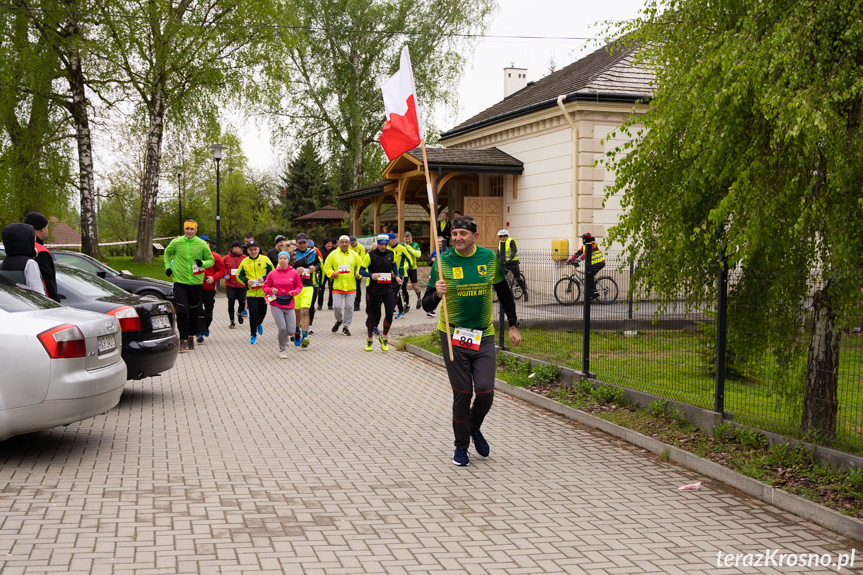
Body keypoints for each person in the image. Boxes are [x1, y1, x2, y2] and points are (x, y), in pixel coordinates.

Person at [422, 216, 521, 467]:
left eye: (463, 233)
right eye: (454, 233)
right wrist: (437, 294)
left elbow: (504, 293)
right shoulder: (443, 263)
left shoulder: (488, 259)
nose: (457, 238)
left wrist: (513, 325)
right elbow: (426, 304)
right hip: (453, 335)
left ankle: (473, 428)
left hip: (483, 335)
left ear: (475, 236)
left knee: (486, 391)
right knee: (463, 393)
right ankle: (461, 447)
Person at [164, 220, 214, 351]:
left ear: (196, 230)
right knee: (181, 311)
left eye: (192, 229)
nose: (189, 231)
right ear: (184, 229)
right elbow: (167, 253)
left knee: (194, 311)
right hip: (180, 281)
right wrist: (168, 267)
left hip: (196, 282)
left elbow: (211, 260)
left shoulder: (202, 244)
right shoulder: (177, 242)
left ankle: (191, 335)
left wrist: (202, 263)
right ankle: (183, 338)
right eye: (187, 229)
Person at [360, 233, 402, 351]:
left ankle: (384, 337)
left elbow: (393, 266)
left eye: (385, 244)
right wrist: (371, 275)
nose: (383, 247)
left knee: (389, 313)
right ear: (378, 244)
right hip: (374, 290)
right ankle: (369, 339)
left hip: (388, 288)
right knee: (372, 315)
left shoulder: (391, 253)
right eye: (381, 244)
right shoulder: (370, 255)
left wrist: (397, 276)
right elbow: (361, 270)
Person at [262, 251, 303, 359]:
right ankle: (282, 350)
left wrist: (293, 292)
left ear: (288, 260)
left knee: (290, 330)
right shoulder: (272, 273)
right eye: (281, 258)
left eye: (285, 258)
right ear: (278, 260)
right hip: (276, 303)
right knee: (282, 328)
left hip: (289, 303)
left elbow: (299, 287)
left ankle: (286, 337)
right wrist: (271, 290)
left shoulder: (294, 273)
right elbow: (265, 287)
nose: (283, 260)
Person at [323, 235, 362, 336]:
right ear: (339, 243)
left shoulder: (354, 254)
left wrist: (359, 274)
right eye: (342, 242)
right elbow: (326, 266)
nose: (344, 244)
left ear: (349, 243)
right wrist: (332, 274)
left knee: (349, 307)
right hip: (337, 285)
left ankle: (346, 326)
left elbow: (361, 266)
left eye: (346, 242)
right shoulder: (333, 254)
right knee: (336, 306)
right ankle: (339, 320)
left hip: (350, 285)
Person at [236, 240, 273, 344]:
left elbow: (273, 273)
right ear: (247, 250)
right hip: (251, 293)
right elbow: (239, 276)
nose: (253, 252)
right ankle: (253, 335)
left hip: (264, 292)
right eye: (251, 250)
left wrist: (264, 278)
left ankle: (259, 323)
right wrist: (247, 281)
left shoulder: (265, 259)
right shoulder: (245, 261)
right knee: (253, 313)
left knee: (263, 312)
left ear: (259, 249)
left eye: (255, 249)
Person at [0, 223, 46, 295]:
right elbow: (38, 292)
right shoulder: (29, 263)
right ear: (27, 240)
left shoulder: (4, 263)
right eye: (33, 237)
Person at [292, 233, 320, 348]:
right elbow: (285, 267)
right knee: (297, 312)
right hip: (295, 287)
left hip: (308, 286)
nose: (302, 245)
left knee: (305, 311)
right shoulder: (292, 253)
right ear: (297, 243)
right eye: (300, 243)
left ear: (307, 242)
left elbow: (318, 264)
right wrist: (294, 270)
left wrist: (315, 268)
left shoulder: (313, 253)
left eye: (304, 242)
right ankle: (296, 331)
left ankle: (305, 336)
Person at [23, 212, 58, 301]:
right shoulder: (41, 251)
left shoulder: (18, 247)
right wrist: (54, 301)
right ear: (42, 229)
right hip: (41, 302)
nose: (47, 231)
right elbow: (46, 281)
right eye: (47, 228)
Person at [197, 235, 225, 343]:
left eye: (206, 243)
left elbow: (222, 271)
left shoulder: (216, 257)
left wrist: (213, 278)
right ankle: (199, 333)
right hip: (196, 288)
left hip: (209, 288)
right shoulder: (194, 257)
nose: (204, 245)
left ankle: (206, 326)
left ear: (209, 244)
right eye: (201, 243)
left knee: (208, 313)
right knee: (198, 311)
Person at [568, 232, 606, 300]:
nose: (582, 240)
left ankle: (595, 293)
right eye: (582, 239)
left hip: (600, 262)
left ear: (587, 239)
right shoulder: (584, 246)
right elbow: (578, 253)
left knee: (589, 275)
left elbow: (586, 254)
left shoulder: (592, 244)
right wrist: (570, 260)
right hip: (593, 264)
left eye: (584, 239)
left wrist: (578, 260)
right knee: (588, 275)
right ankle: (592, 292)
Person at [497, 230, 529, 302]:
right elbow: (499, 252)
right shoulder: (500, 243)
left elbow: (514, 251)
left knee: (517, 277)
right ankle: (502, 295)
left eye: (504, 236)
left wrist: (510, 258)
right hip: (505, 263)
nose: (502, 238)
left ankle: (525, 292)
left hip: (513, 262)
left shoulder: (511, 241)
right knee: (500, 277)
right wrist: (495, 259)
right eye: (500, 237)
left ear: (506, 236)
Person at [223, 240, 247, 328]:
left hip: (241, 284)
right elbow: (222, 269)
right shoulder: (226, 258)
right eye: (240, 248)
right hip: (230, 284)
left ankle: (240, 312)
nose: (242, 249)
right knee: (231, 302)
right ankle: (232, 321)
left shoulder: (245, 257)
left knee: (242, 302)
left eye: (242, 248)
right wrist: (225, 275)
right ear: (233, 248)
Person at [387, 233, 409, 318]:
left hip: (400, 274)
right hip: (390, 275)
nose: (388, 243)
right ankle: (401, 311)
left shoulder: (402, 248)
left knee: (395, 293)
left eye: (389, 241)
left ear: (394, 240)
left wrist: (404, 268)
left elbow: (408, 259)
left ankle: (390, 311)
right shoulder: (387, 249)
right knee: (396, 293)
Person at [399, 230, 422, 311]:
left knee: (414, 285)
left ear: (411, 238)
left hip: (413, 268)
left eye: (409, 239)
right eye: (406, 239)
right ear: (403, 238)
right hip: (404, 269)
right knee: (403, 287)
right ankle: (406, 304)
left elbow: (418, 254)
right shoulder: (400, 245)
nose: (407, 240)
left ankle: (419, 298)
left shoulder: (415, 244)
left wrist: (408, 247)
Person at [307, 239, 323, 334]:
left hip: (313, 284)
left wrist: (321, 283)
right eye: (308, 247)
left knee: (311, 305)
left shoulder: (316, 256)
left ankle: (309, 325)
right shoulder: (297, 255)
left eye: (311, 247)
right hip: (300, 284)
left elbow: (322, 270)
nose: (310, 249)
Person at [317, 238, 336, 310]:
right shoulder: (320, 251)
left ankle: (330, 304)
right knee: (321, 289)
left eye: (330, 243)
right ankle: (319, 304)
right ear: (325, 244)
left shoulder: (334, 251)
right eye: (328, 243)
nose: (329, 245)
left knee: (332, 289)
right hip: (323, 273)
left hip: (332, 272)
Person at [349, 236, 366, 311]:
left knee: (358, 287)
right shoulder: (348, 247)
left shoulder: (361, 247)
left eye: (353, 242)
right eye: (351, 243)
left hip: (359, 269)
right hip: (350, 270)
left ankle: (357, 303)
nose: (352, 244)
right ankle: (351, 303)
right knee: (351, 287)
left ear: (356, 241)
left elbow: (362, 258)